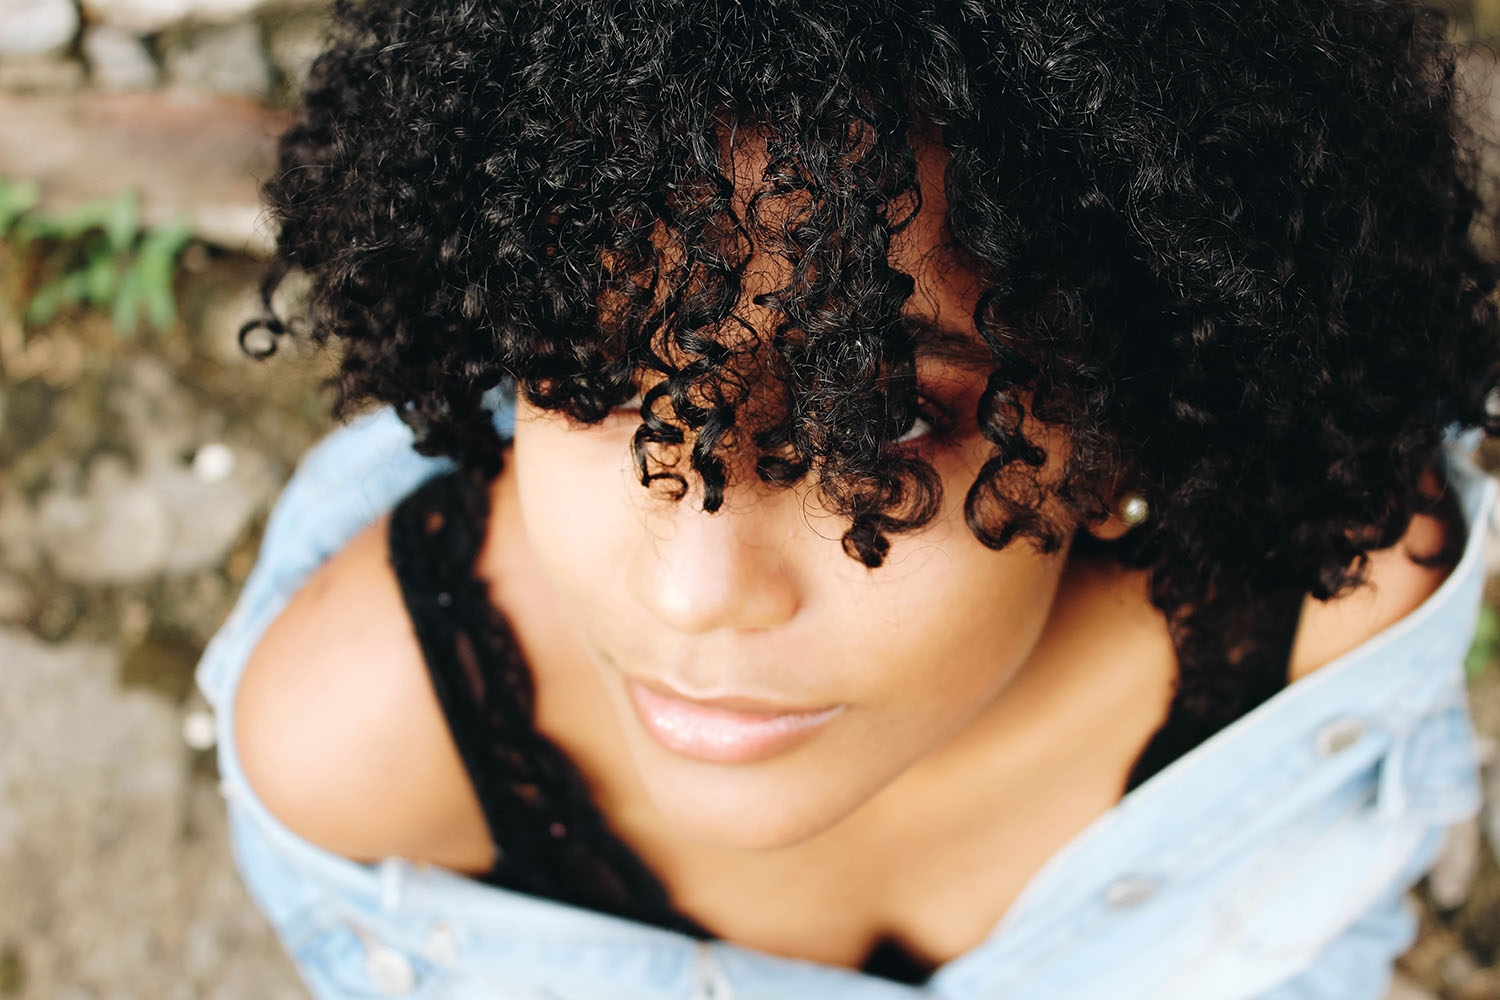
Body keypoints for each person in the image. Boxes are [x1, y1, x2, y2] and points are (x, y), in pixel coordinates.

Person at [198, 0, 1500, 996]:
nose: (693, 587)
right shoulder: (373, 756)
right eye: (586, 379)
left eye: (875, 421)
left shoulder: (1331, 632)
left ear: (1132, 425)